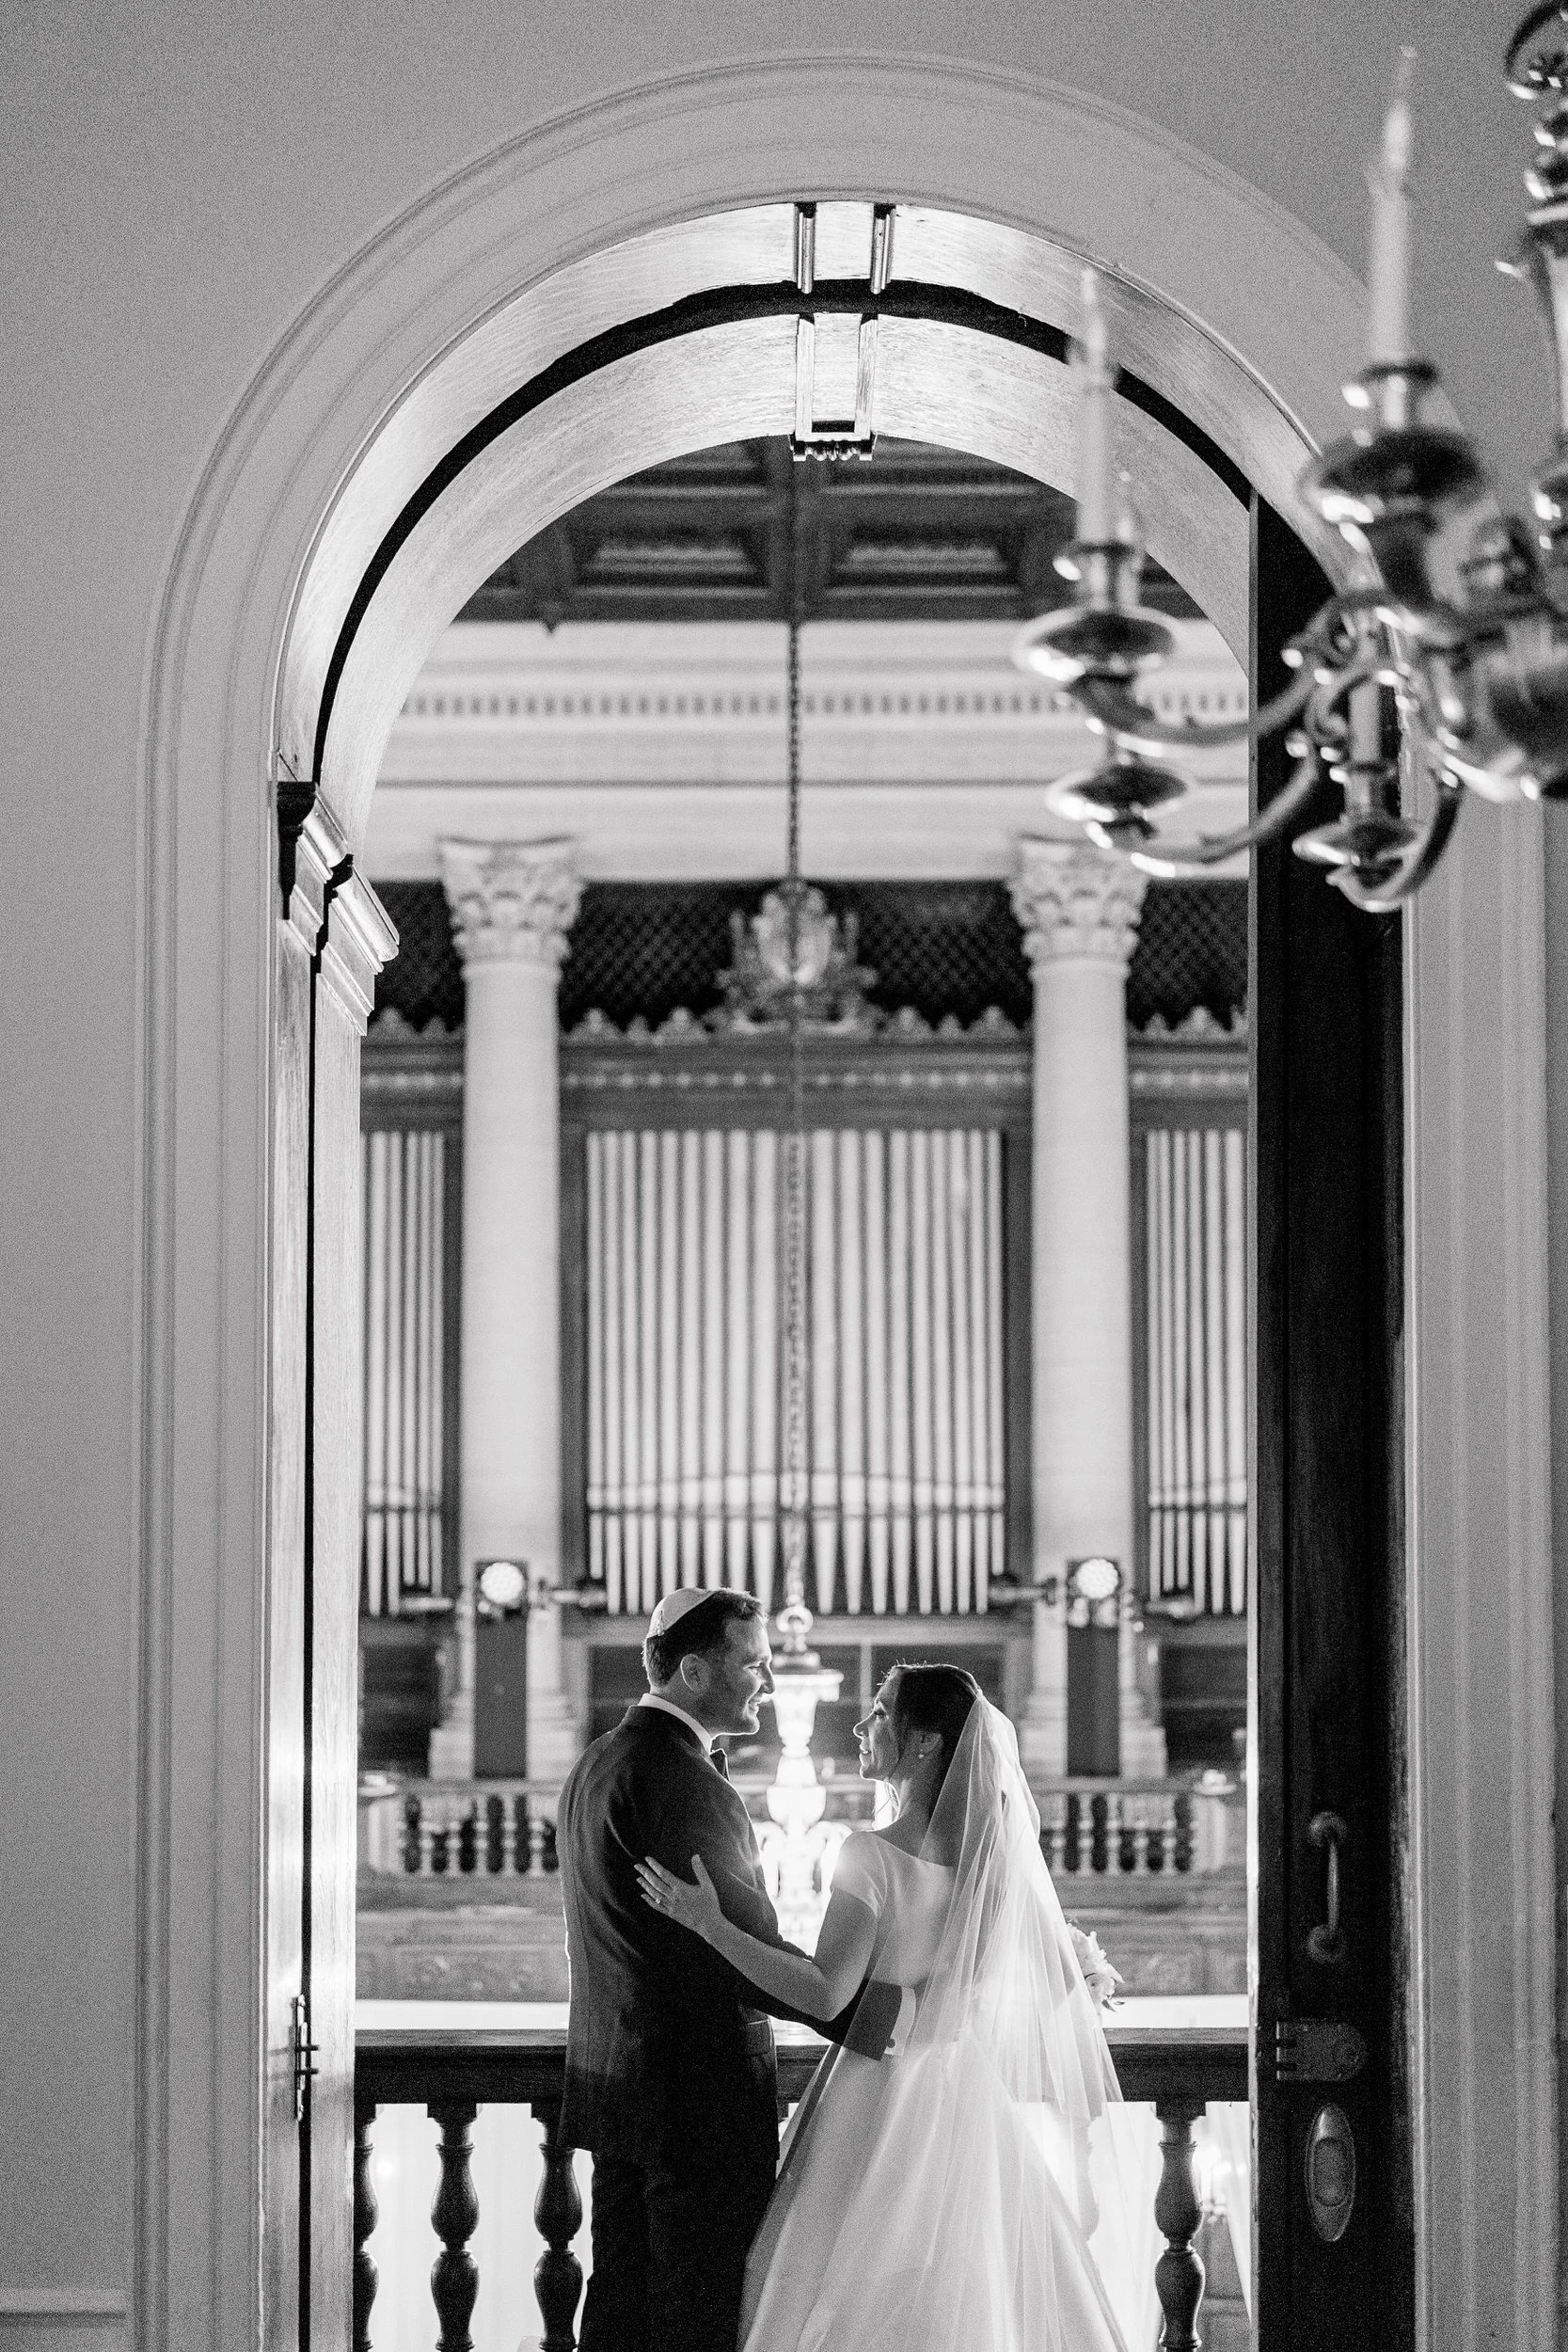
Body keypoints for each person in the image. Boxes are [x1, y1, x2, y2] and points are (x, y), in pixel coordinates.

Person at [637, 1662, 1134, 2352]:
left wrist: (710, 1925)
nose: (859, 1726)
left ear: (924, 1741)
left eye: (878, 1712)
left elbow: (823, 1992)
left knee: (835, 2277)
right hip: (964, 2088)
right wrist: (954, 2007)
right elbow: (1061, 1981)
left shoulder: (868, 1854)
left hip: (876, 2092)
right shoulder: (990, 1860)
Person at [557, 1586, 900, 2352]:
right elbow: (743, 1951)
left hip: (618, 2092)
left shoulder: (599, 1762)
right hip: (696, 2104)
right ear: (692, 1672)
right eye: (752, 1664)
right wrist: (898, 2021)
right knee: (697, 2318)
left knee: (619, 2315)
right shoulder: (683, 1780)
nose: (767, 1684)